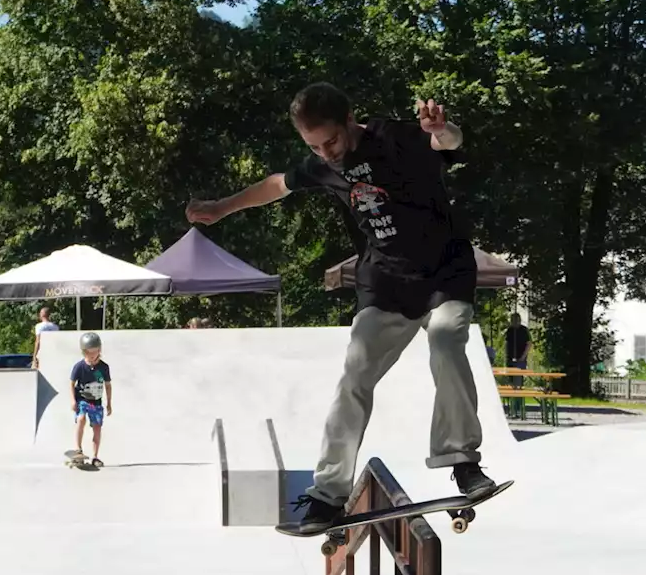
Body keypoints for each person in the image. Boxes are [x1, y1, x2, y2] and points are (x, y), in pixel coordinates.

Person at [186, 82, 496, 534]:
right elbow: (277, 185)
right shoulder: (322, 164)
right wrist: (221, 207)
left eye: (330, 140)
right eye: (313, 145)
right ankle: (329, 494)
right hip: (386, 282)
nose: (326, 153)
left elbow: (446, 142)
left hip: (444, 272)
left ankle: (463, 462)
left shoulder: (393, 138)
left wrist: (443, 127)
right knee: (355, 375)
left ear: (350, 120)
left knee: (447, 341)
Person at [69, 332, 112, 464]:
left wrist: (109, 403)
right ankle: (78, 449)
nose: (93, 355)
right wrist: (73, 400)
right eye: (90, 352)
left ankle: (95, 456)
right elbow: (71, 383)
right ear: (84, 352)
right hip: (82, 399)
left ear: (100, 350)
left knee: (97, 427)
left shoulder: (104, 367)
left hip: (96, 402)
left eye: (95, 351)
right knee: (81, 419)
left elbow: (108, 385)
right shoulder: (79, 366)